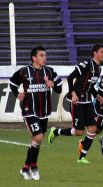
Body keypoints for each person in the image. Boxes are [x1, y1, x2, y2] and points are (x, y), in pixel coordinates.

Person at [9, 46, 63, 180]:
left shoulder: (50, 71)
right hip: (29, 110)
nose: (44, 58)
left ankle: (26, 168)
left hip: (44, 112)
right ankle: (34, 167)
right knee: (38, 137)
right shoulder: (23, 71)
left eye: (45, 55)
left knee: (37, 141)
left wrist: (53, 85)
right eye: (41, 55)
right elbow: (12, 83)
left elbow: (59, 88)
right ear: (34, 57)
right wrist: (17, 94)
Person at [48, 44, 103, 164]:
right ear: (94, 53)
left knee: (93, 128)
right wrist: (73, 93)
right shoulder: (86, 64)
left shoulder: (99, 68)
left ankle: (82, 157)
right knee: (79, 132)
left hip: (88, 101)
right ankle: (56, 131)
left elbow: (91, 86)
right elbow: (70, 78)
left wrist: (97, 95)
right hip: (77, 101)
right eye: (102, 52)